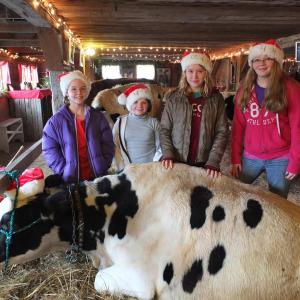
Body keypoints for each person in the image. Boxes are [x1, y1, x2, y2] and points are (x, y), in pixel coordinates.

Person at [231, 39, 300, 198]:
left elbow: (298, 127)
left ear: (276, 61)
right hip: (251, 156)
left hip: (280, 157)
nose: (261, 63)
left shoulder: (291, 88)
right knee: (237, 194)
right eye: (256, 59)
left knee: (278, 201)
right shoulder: (245, 89)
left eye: (267, 58)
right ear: (251, 63)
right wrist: (235, 157)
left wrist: (295, 161)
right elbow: (238, 126)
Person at [160, 51, 229, 178]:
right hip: (177, 160)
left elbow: (222, 131)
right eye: (190, 71)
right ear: (185, 73)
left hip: (203, 161)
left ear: (206, 74)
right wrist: (168, 154)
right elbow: (164, 129)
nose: (194, 76)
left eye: (200, 71)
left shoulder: (215, 98)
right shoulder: (174, 98)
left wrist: (213, 160)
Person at [42, 70, 114, 183]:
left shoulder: (98, 117)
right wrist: (63, 170)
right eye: (73, 89)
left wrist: (104, 163)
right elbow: (49, 149)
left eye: (83, 88)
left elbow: (108, 143)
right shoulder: (55, 122)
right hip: (70, 179)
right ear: (66, 92)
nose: (79, 93)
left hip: (97, 176)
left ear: (88, 90)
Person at [112, 83, 161, 171]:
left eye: (144, 102)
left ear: (149, 105)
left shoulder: (154, 123)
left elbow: (160, 147)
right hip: (128, 170)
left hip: (150, 170)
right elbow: (114, 145)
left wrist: (155, 165)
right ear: (129, 103)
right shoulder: (120, 122)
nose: (139, 105)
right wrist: (120, 167)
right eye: (135, 102)